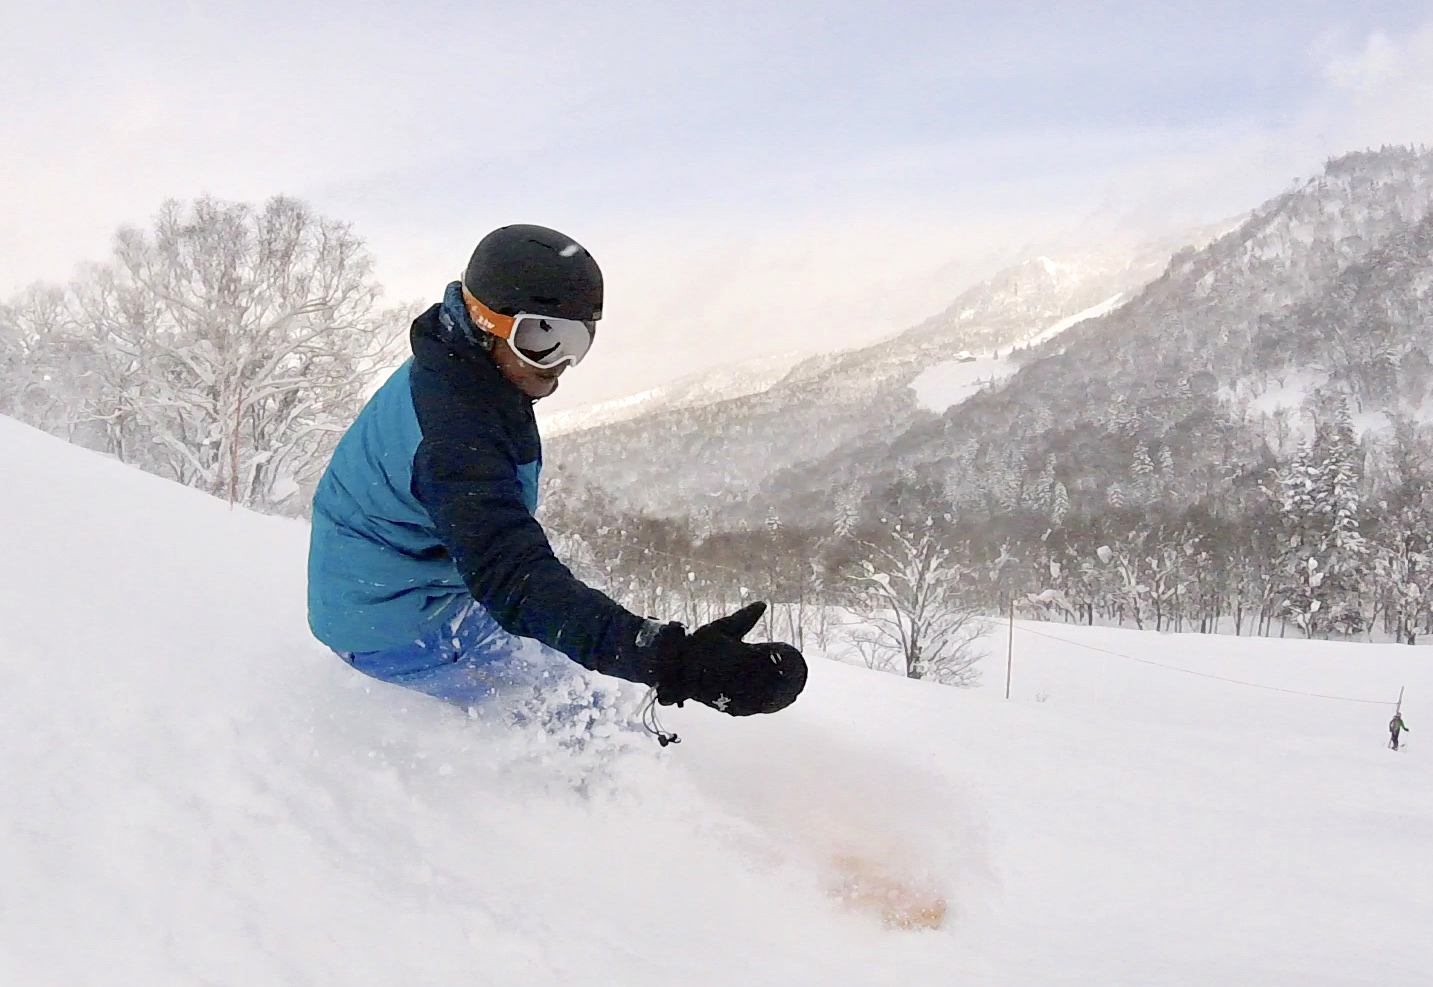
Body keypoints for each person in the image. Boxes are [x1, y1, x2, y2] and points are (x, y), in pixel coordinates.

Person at [306, 224, 806, 733]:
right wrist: (677, 661)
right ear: (485, 322)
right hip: (391, 623)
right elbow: (514, 578)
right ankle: (568, 802)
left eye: (578, 341)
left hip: (416, 589)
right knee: (563, 719)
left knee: (571, 687)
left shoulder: (464, 370)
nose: (561, 365)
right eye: (542, 338)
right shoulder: (455, 436)